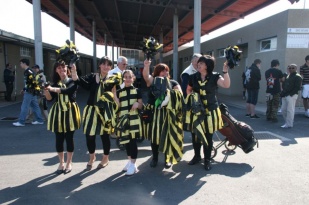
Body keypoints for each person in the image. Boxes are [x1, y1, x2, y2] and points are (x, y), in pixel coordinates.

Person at [71, 56, 118, 171]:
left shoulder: (113, 79)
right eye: (104, 64)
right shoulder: (92, 77)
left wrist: (117, 111)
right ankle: (92, 158)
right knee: (90, 135)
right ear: (100, 65)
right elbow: (79, 81)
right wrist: (73, 70)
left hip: (105, 111)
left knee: (105, 136)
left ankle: (105, 158)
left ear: (111, 67)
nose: (106, 67)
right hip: (91, 109)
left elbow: (115, 95)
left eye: (108, 65)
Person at [185, 55, 230, 171]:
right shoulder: (193, 77)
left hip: (210, 111)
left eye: (201, 63)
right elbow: (188, 89)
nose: (198, 65)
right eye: (198, 63)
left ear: (208, 66)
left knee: (208, 137)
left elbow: (226, 84)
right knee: (195, 135)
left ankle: (207, 160)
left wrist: (225, 71)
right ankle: (196, 156)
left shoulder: (215, 76)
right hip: (196, 111)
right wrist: (192, 98)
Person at [143, 59, 184, 169]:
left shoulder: (173, 82)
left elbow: (180, 94)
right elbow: (146, 77)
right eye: (162, 71)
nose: (165, 73)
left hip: (168, 114)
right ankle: (155, 158)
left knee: (167, 136)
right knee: (154, 137)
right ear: (157, 72)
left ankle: (167, 159)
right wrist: (146, 66)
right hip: (154, 113)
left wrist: (170, 92)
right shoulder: (153, 81)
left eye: (166, 71)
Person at [44, 61, 81, 174]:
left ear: (67, 68)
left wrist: (52, 89)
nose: (61, 69)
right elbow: (50, 99)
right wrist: (46, 90)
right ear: (56, 70)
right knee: (59, 138)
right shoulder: (54, 83)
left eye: (63, 67)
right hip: (58, 112)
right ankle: (61, 162)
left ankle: (69, 162)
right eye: (59, 68)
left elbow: (68, 91)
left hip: (70, 111)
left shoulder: (72, 81)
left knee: (69, 138)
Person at [113, 70, 143, 175]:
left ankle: (133, 164)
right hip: (123, 120)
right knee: (126, 141)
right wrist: (114, 96)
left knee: (133, 142)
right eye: (125, 77)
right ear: (123, 79)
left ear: (133, 78)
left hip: (134, 120)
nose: (127, 79)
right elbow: (119, 106)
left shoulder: (137, 90)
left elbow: (141, 105)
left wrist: (137, 104)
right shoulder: (119, 91)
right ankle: (130, 162)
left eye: (129, 77)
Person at [12, 59, 44, 127]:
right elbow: (29, 82)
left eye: (21, 63)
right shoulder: (30, 71)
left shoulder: (28, 71)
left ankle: (21, 121)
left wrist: (25, 89)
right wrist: (24, 89)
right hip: (32, 91)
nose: (20, 65)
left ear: (24, 63)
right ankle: (40, 120)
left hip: (29, 91)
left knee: (24, 106)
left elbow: (31, 82)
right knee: (35, 106)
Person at [280, 64, 302, 128]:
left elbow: (297, 87)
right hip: (285, 95)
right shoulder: (288, 75)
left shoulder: (298, 76)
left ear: (296, 69)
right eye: (290, 68)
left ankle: (289, 124)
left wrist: (290, 94)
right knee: (283, 109)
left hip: (292, 95)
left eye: (293, 68)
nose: (291, 69)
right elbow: (285, 85)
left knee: (290, 110)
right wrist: (283, 93)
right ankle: (287, 122)